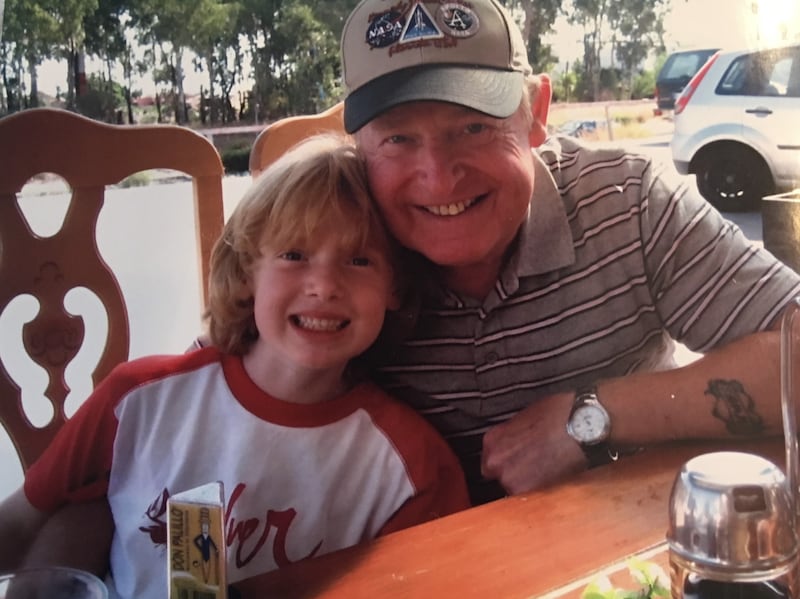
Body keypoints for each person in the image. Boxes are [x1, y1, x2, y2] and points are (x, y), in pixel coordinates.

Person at [339, 0, 800, 504]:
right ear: (359, 145)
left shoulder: (626, 200)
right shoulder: (327, 247)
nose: (439, 175)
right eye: (398, 138)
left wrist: (592, 417)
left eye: (473, 127)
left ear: (536, 113)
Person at [0, 134, 469, 596]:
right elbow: (21, 522)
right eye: (294, 255)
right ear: (247, 273)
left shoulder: (412, 469)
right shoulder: (137, 401)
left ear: (395, 289)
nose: (324, 285)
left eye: (359, 260)